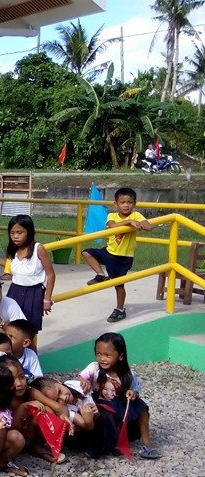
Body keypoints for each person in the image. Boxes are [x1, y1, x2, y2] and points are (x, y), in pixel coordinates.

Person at [77, 332, 160, 459]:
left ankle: (146, 442)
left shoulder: (128, 374)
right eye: (98, 354)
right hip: (100, 404)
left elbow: (135, 390)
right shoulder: (94, 368)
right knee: (106, 417)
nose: (102, 358)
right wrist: (85, 381)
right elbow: (82, 377)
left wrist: (133, 393)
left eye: (107, 355)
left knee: (142, 407)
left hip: (119, 404)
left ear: (120, 356)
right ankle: (108, 444)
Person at [82, 187, 152, 322]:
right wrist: (129, 222)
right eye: (123, 202)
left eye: (129, 202)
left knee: (119, 285)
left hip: (123, 258)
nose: (126, 205)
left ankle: (120, 309)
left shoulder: (136, 215)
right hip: (109, 252)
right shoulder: (112, 216)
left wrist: (141, 223)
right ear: (116, 204)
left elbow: (149, 226)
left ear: (134, 204)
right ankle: (101, 275)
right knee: (87, 252)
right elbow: (112, 226)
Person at [0, 214, 55, 333]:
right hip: (15, 291)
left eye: (19, 232)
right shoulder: (13, 250)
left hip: (33, 293)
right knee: (11, 326)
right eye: (12, 233)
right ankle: (11, 351)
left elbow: (51, 275)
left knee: (28, 330)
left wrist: (47, 300)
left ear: (29, 232)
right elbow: (14, 267)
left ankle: (29, 352)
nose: (15, 236)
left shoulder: (38, 249)